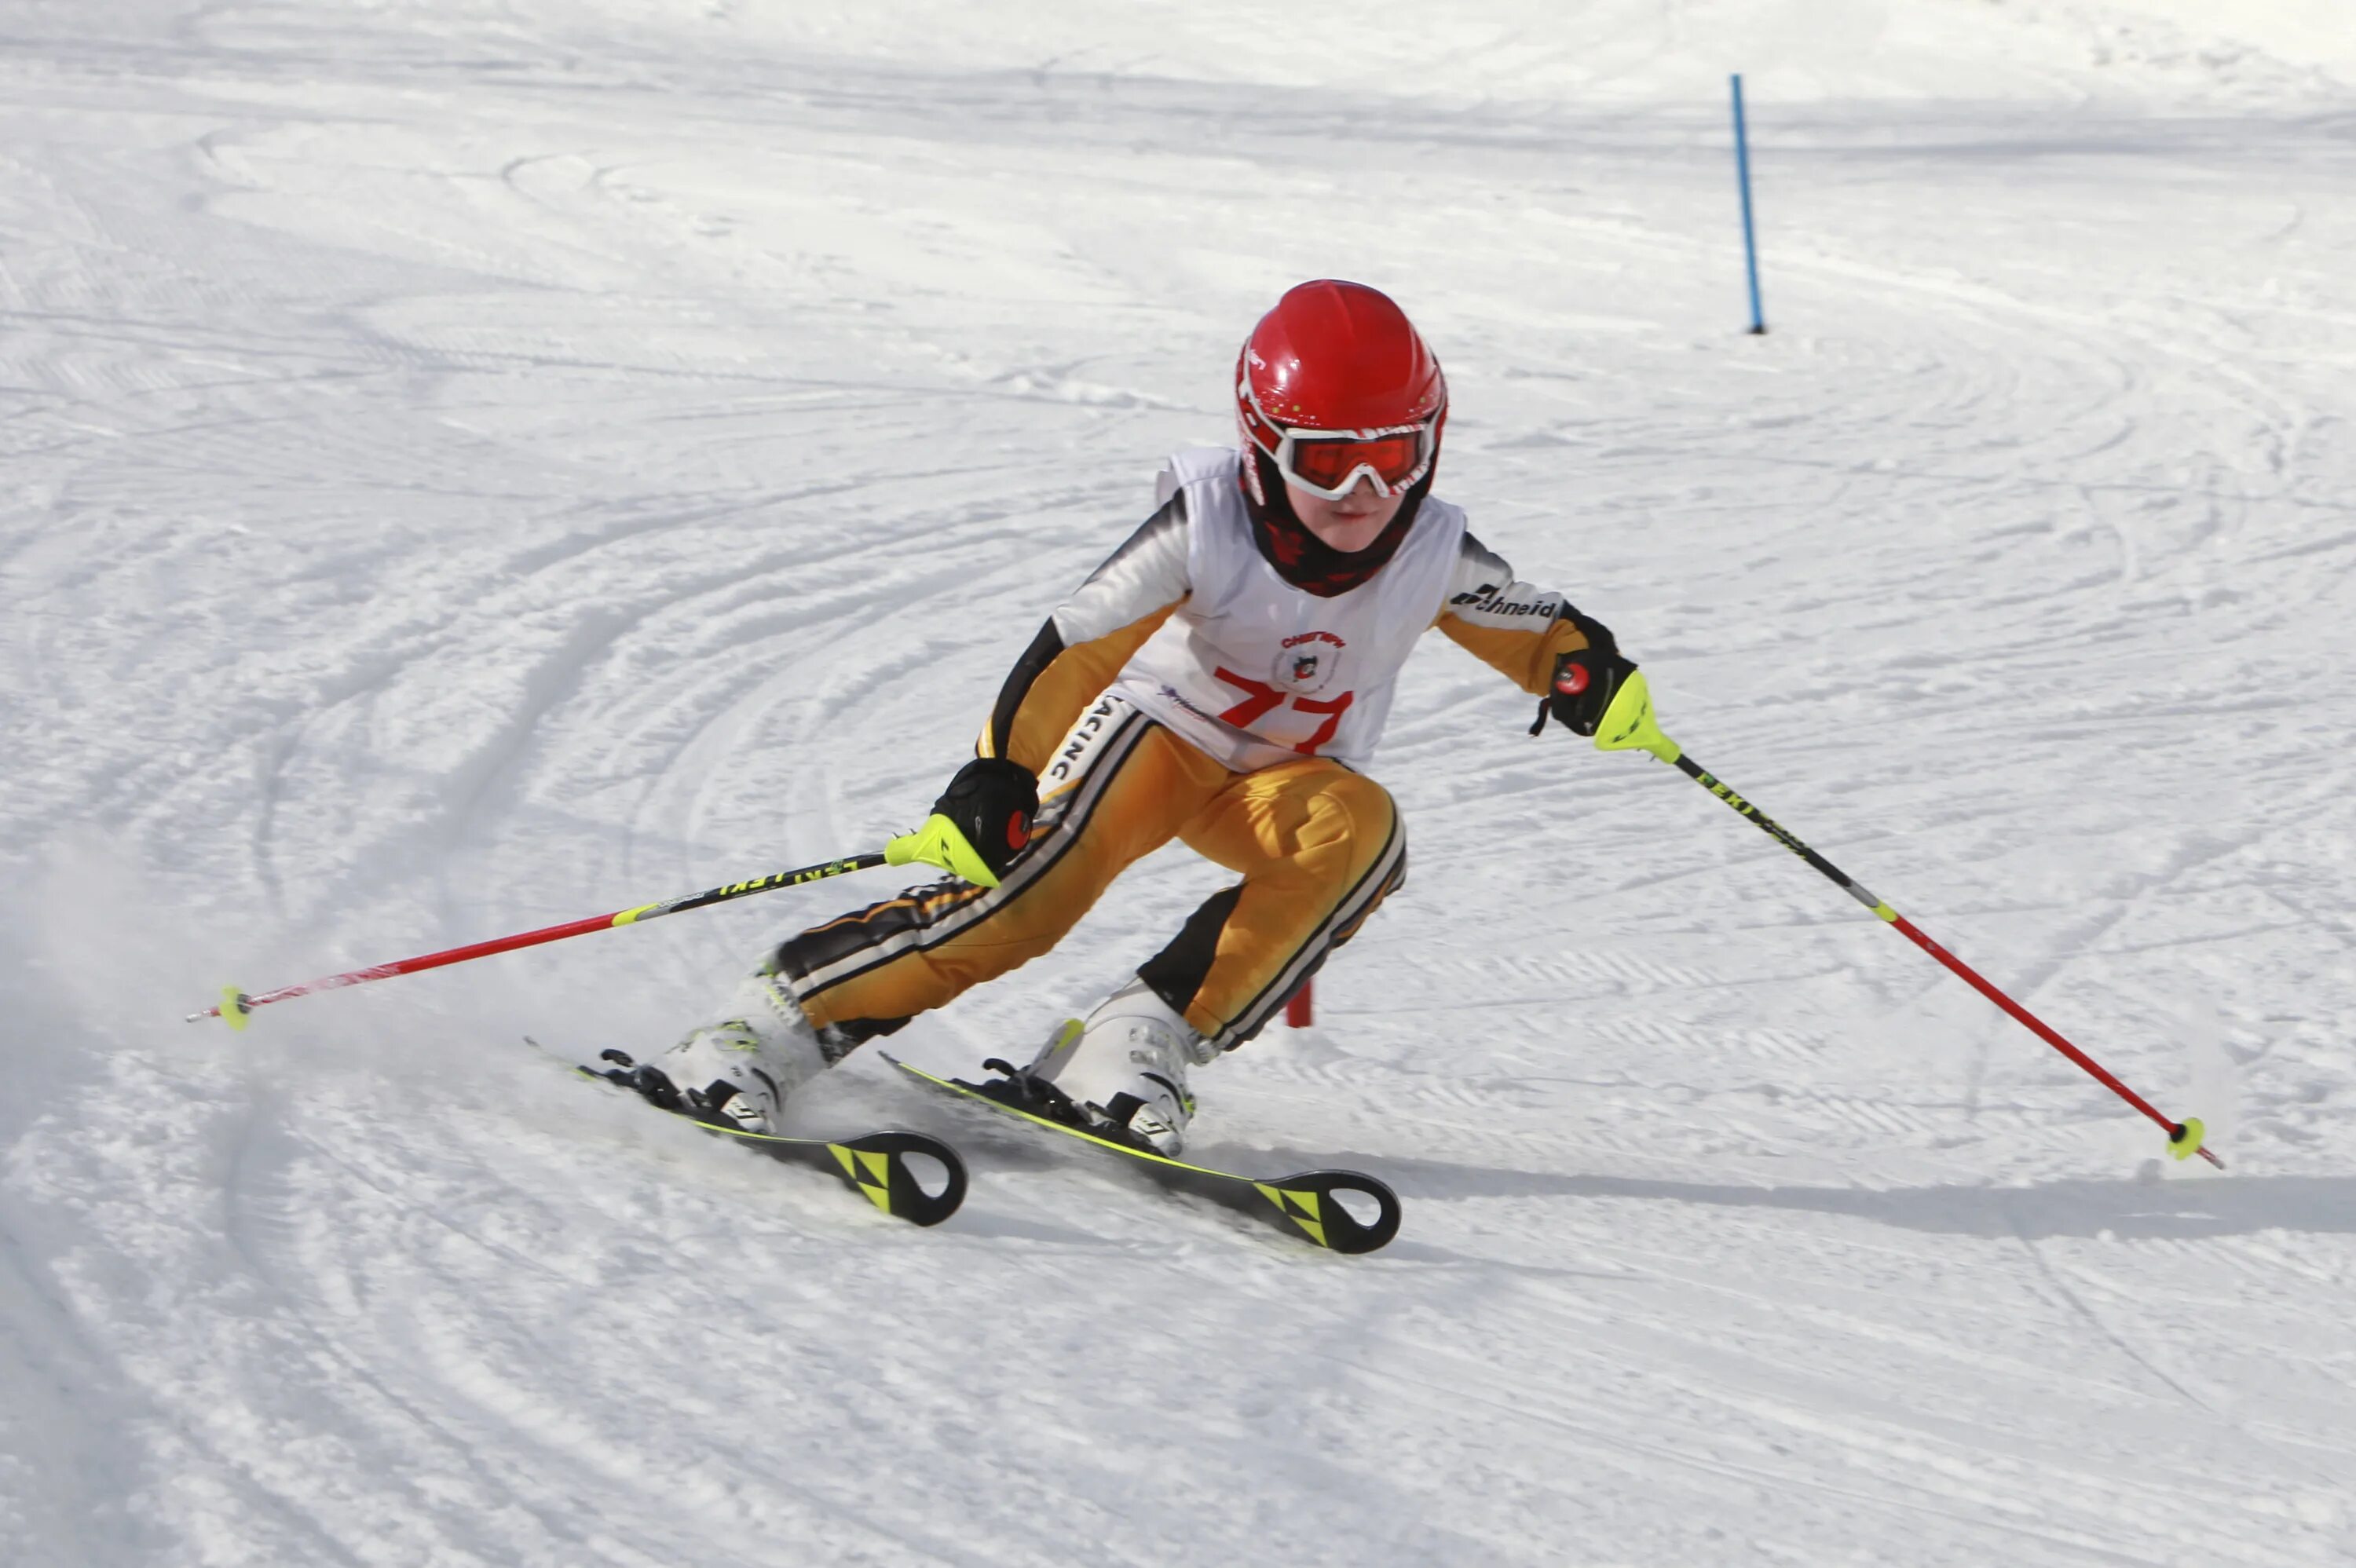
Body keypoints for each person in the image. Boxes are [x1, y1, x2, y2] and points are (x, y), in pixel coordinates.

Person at [624, 280, 1635, 1156]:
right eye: (1326, 461)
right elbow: (1082, 642)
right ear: (1264, 441)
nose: (1365, 490)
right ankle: (773, 1025)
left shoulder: (1430, 552)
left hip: (1280, 783)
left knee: (1361, 836)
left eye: (1393, 453)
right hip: (1158, 737)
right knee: (1031, 897)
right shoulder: (1209, 523)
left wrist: (1582, 670)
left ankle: (1129, 1041)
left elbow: (1532, 624)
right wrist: (1001, 772)